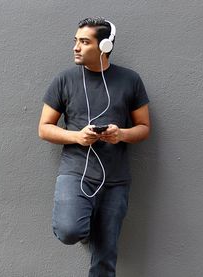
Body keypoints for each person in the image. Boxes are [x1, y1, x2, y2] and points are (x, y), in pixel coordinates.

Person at [38, 17, 150, 277]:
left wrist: (120, 134)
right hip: (76, 173)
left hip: (116, 180)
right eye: (76, 41)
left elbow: (144, 127)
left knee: (105, 258)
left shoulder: (130, 80)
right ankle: (86, 226)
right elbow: (44, 128)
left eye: (84, 42)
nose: (76, 47)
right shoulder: (64, 80)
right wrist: (77, 137)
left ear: (105, 46)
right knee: (69, 230)